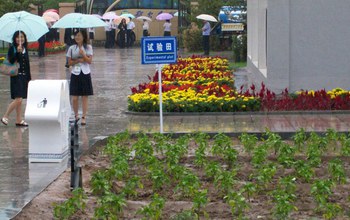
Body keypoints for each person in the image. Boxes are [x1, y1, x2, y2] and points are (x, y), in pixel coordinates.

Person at [1, 31, 31, 127]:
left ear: (24, 38)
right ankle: (5, 116)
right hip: (16, 76)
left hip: (23, 77)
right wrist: (17, 52)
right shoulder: (12, 48)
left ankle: (19, 120)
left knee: (20, 99)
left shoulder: (25, 49)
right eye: (17, 37)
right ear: (14, 39)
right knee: (18, 99)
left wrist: (29, 78)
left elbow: (27, 64)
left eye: (22, 37)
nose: (20, 39)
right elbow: (11, 60)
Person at [66, 29, 93, 126]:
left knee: (85, 96)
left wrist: (84, 55)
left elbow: (89, 61)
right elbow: (69, 63)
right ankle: (76, 115)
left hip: (85, 73)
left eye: (79, 35)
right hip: (75, 73)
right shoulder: (71, 48)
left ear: (83, 37)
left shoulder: (88, 47)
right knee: (74, 97)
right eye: (76, 35)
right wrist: (78, 60)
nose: (77, 37)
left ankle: (83, 117)